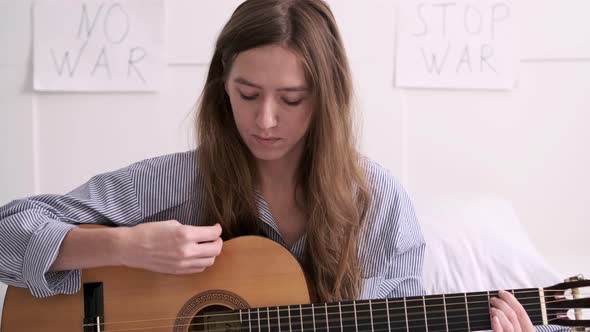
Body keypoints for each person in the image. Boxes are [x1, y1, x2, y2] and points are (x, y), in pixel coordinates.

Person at [0, 1, 566, 331]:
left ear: (327, 98)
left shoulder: (377, 202)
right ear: (222, 85)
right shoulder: (176, 183)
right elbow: (7, 233)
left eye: (291, 100)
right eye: (247, 94)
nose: (265, 120)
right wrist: (127, 248)